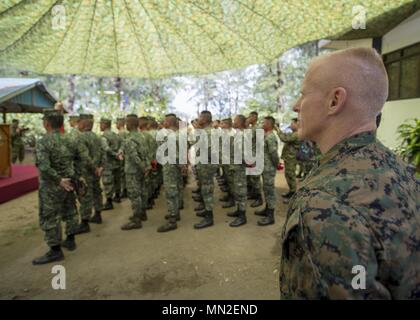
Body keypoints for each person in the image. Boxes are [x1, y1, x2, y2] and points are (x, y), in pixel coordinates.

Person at [279, 47, 420, 299]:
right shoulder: (402, 169)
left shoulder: (322, 202)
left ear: (334, 101)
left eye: (302, 95)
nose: (295, 106)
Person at [32, 110, 78, 265]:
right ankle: (71, 240)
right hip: (69, 183)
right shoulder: (70, 140)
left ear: (46, 123)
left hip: (52, 185)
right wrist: (73, 178)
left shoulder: (43, 141)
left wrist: (59, 180)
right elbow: (78, 160)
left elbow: (44, 166)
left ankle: (55, 251)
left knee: (50, 217)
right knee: (70, 212)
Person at [157, 114, 187, 232]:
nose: (163, 123)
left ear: (169, 122)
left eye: (165, 121)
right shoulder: (180, 135)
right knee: (176, 190)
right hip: (176, 168)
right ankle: (176, 213)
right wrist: (183, 166)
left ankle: (172, 220)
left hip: (170, 167)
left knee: (170, 193)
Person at [120, 114, 149, 230]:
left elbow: (134, 157)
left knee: (134, 195)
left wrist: (143, 167)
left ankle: (137, 220)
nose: (126, 125)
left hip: (133, 171)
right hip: (141, 170)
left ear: (130, 124)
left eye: (127, 123)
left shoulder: (129, 139)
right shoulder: (142, 136)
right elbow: (146, 153)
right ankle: (142, 213)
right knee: (142, 191)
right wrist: (146, 167)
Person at [193, 111, 217, 229]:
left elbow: (210, 152)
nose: (198, 119)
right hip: (205, 163)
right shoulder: (205, 131)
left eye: (200, 117)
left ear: (205, 119)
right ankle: (207, 211)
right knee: (205, 188)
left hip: (206, 164)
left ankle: (209, 217)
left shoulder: (208, 133)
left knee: (207, 189)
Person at [254, 116, 279, 226]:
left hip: (269, 168)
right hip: (265, 166)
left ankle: (271, 216)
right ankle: (267, 209)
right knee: (266, 188)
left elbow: (274, 154)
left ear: (269, 124)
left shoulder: (270, 137)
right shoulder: (266, 136)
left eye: (264, 122)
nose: (262, 124)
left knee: (270, 190)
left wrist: (276, 164)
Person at [226, 115, 248, 227]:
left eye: (235, 120)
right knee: (237, 190)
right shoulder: (238, 134)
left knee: (241, 192)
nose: (233, 122)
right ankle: (239, 210)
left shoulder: (243, 135)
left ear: (240, 122)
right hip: (235, 167)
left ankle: (242, 216)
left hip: (239, 168)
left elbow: (245, 154)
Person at [100, 118, 123, 211]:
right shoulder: (116, 135)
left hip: (108, 162)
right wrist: (119, 154)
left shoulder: (104, 136)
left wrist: (115, 154)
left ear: (105, 125)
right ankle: (117, 196)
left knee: (108, 181)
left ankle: (109, 202)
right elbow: (122, 145)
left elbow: (106, 148)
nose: (100, 126)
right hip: (117, 162)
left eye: (101, 124)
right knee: (117, 179)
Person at [278, 118, 300, 203]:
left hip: (292, 158)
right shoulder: (294, 133)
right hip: (289, 158)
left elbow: (284, 139)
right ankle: (291, 192)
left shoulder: (297, 134)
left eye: (292, 124)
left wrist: (278, 130)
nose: (290, 125)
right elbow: (286, 137)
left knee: (291, 176)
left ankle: (294, 196)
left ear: (297, 124)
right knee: (288, 175)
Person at [246, 111, 263, 207]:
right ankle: (253, 194)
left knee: (255, 178)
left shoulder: (257, 128)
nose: (248, 118)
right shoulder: (250, 128)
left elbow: (260, 144)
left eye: (250, 116)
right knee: (251, 177)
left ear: (254, 117)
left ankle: (259, 198)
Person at [116, 117, 128, 199]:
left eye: (117, 123)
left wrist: (120, 154)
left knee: (122, 174)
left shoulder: (121, 133)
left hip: (123, 156)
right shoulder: (127, 133)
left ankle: (125, 190)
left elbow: (122, 145)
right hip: (127, 156)